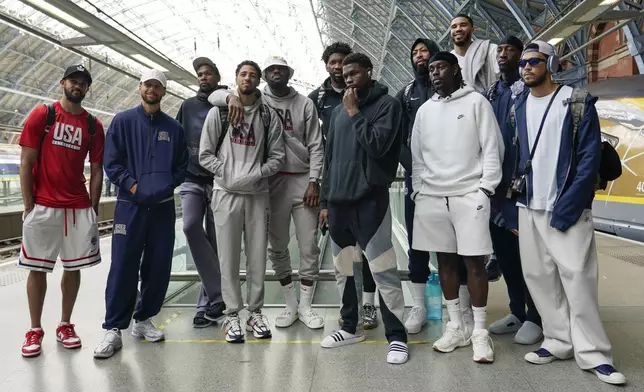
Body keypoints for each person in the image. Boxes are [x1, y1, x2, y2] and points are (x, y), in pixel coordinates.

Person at [512, 41, 626, 385]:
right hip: (528, 206)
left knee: (578, 280)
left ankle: (594, 354)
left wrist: (570, 205)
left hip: (566, 206)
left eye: (534, 61)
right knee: (539, 280)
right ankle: (558, 340)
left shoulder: (575, 102)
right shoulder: (517, 105)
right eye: (523, 63)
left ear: (550, 64)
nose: (526, 67)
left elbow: (589, 159)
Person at [208, 56, 325, 329]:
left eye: (280, 70)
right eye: (271, 69)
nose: (275, 73)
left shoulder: (304, 104)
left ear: (287, 74)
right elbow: (215, 94)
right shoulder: (260, 102)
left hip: (301, 179)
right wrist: (229, 98)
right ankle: (290, 304)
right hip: (270, 184)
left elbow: (317, 145)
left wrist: (315, 180)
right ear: (265, 76)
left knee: (309, 246)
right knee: (277, 247)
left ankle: (306, 305)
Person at [410, 51, 502, 363]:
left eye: (440, 67)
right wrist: (419, 191)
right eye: (431, 69)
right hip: (433, 196)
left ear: (455, 70)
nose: (434, 73)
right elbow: (417, 156)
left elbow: (492, 146)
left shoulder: (476, 102)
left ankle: (479, 332)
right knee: (445, 263)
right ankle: (456, 326)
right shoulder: (424, 111)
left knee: (474, 263)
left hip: (469, 194)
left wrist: (486, 188)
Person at [319, 52, 408, 365]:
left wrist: (355, 113)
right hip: (340, 204)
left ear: (369, 72)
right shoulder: (340, 113)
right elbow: (329, 160)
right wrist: (326, 202)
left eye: (354, 73)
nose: (348, 78)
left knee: (383, 271)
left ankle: (396, 336)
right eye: (345, 75)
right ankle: (350, 326)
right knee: (344, 271)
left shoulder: (387, 106)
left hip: (371, 201)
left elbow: (378, 145)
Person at [93, 69, 188, 359]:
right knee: (123, 265)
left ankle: (144, 319)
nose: (152, 90)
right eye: (148, 85)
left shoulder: (173, 128)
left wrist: (166, 185)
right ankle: (113, 328)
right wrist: (132, 186)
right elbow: (112, 162)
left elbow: (182, 164)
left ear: (163, 92)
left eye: (158, 86)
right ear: (140, 88)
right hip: (129, 207)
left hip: (161, 209)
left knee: (158, 266)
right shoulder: (122, 122)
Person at [18, 64, 104, 358]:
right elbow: (26, 162)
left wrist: (92, 208)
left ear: (87, 89)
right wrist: (29, 204)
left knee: (73, 266)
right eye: (73, 81)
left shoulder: (93, 125)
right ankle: (34, 329)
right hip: (43, 205)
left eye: (83, 83)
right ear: (62, 82)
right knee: (37, 269)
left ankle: (65, 324)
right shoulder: (43, 115)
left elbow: (96, 169)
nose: (78, 86)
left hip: (77, 207)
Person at [199, 60, 285, 343]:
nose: (247, 78)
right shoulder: (218, 112)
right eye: (243, 74)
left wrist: (256, 173)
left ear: (258, 81)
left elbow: (277, 157)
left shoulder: (268, 116)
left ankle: (255, 312)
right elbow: (205, 155)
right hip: (225, 194)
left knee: (258, 256)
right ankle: (232, 314)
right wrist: (229, 173)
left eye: (253, 75)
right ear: (235, 79)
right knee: (228, 257)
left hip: (258, 195)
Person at [308, 42, 380, 330]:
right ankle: (347, 309)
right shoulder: (318, 99)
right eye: (334, 62)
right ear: (326, 65)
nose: (339, 68)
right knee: (343, 256)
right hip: (336, 186)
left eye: (345, 63)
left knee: (370, 254)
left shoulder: (372, 98)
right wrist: (323, 197)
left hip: (365, 187)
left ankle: (369, 305)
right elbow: (320, 147)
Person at [484, 36, 543, 345]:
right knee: (506, 256)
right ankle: (517, 311)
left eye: (510, 50)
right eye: (500, 50)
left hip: (520, 189)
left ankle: (537, 316)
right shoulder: (492, 93)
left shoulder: (529, 93)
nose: (503, 54)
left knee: (528, 257)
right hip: (495, 191)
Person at [175, 56, 228, 328]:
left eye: (208, 73)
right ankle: (219, 295)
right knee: (191, 226)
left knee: (217, 245)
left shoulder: (227, 104)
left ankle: (206, 305)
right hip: (192, 178)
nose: (203, 77)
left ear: (217, 77)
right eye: (200, 74)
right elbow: (176, 138)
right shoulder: (187, 106)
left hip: (220, 181)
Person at [395, 37, 441, 334]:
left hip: (451, 178)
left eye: (424, 50)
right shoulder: (406, 93)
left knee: (456, 244)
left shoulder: (448, 89)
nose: (419, 56)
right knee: (416, 242)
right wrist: (415, 168)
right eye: (414, 52)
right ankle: (419, 307)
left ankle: (461, 310)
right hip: (416, 180)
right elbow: (397, 138)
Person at [450, 13, 499, 94]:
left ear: (473, 29)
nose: (458, 29)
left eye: (463, 25)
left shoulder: (491, 50)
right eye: (454, 27)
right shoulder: (448, 60)